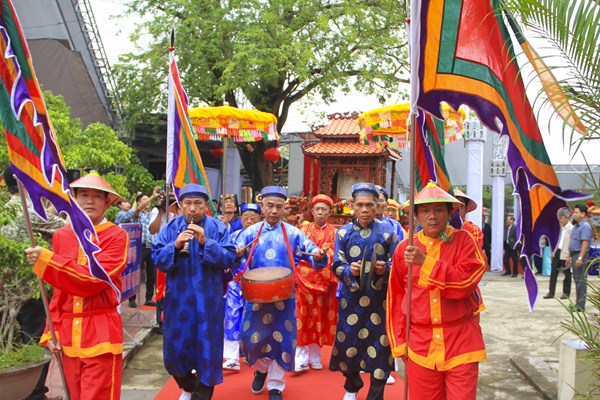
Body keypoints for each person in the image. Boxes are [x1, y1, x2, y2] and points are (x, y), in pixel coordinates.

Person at [24, 172, 129, 400]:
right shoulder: (62, 235)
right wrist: (52, 330)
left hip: (101, 331)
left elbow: (92, 280)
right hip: (69, 332)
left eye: (96, 196)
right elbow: (59, 290)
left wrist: (48, 261)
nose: (89, 201)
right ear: (74, 199)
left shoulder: (116, 236)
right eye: (83, 195)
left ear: (106, 202)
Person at [387, 182, 487, 400]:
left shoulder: (464, 241)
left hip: (461, 340)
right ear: (416, 216)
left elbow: (465, 283)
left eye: (439, 209)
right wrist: (399, 341)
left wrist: (426, 263)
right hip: (420, 343)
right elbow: (396, 298)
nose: (432, 216)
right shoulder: (404, 249)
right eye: (425, 210)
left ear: (449, 213)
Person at [235, 186, 327, 400]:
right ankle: (260, 368)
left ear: (284, 208)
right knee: (251, 338)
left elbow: (311, 250)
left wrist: (318, 254)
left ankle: (276, 385)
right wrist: (236, 253)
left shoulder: (293, 233)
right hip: (256, 296)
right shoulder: (250, 232)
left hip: (284, 297)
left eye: (279, 206)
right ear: (262, 207)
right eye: (270, 206)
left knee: (282, 339)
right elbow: (234, 254)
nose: (274, 211)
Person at [152, 183, 236, 400]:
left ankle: (202, 394)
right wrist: (175, 246)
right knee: (175, 352)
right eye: (187, 204)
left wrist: (206, 242)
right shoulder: (171, 228)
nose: (192, 209)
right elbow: (157, 258)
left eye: (198, 204)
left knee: (207, 349)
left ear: (206, 205)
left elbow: (229, 257)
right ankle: (187, 384)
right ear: (180, 206)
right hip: (178, 301)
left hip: (208, 302)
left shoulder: (218, 228)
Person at [329, 182, 399, 400]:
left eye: (370, 204)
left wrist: (384, 268)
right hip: (351, 299)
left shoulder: (388, 232)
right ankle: (353, 382)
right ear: (352, 206)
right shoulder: (343, 233)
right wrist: (350, 269)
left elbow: (397, 264)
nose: (365, 209)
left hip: (380, 301)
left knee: (381, 348)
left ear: (377, 206)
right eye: (360, 205)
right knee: (346, 344)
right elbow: (336, 264)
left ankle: (375, 395)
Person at [2, 165, 65, 400]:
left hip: (6, 294)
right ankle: (35, 393)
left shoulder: (3, 209)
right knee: (35, 338)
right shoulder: (31, 212)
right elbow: (68, 230)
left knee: (10, 340)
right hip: (31, 292)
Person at [294, 194, 338, 372]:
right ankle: (301, 358)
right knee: (302, 318)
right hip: (303, 281)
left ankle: (315, 357)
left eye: (324, 210)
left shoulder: (335, 232)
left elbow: (337, 256)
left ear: (329, 212)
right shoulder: (302, 231)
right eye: (317, 209)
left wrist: (325, 258)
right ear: (312, 211)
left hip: (324, 281)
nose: (320, 212)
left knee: (320, 318)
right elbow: (296, 253)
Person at [223, 202, 262, 370]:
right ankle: (231, 357)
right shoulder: (234, 236)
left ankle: (251, 353)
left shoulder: (263, 238)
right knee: (232, 318)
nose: (249, 221)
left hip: (257, 286)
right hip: (235, 283)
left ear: (260, 219)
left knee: (254, 320)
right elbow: (225, 258)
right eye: (246, 218)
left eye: (253, 218)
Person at [130, 187, 163, 307]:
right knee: (136, 272)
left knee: (151, 273)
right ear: (139, 202)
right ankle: (132, 298)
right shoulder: (137, 214)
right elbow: (137, 210)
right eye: (144, 200)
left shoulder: (153, 213)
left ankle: (149, 298)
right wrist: (152, 196)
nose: (147, 202)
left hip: (152, 247)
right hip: (140, 246)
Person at [566, 204, 593, 312]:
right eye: (574, 212)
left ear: (583, 214)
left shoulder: (585, 226)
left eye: (577, 212)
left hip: (581, 255)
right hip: (574, 254)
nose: (574, 214)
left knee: (581, 280)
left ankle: (581, 305)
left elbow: (585, 243)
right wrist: (569, 256)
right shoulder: (576, 226)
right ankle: (578, 303)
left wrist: (580, 258)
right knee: (576, 280)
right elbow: (572, 242)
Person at [544, 208, 573, 300]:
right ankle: (551, 292)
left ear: (567, 218)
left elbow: (572, 243)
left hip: (565, 252)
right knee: (553, 272)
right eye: (560, 218)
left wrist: (570, 255)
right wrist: (553, 252)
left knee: (567, 273)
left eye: (563, 218)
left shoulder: (571, 229)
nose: (561, 220)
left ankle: (566, 292)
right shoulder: (558, 228)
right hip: (557, 251)